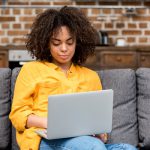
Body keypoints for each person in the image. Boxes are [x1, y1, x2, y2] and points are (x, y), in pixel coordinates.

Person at [9, 6, 137, 150]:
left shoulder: (91, 76)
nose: (64, 48)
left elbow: (97, 117)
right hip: (44, 138)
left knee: (128, 148)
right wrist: (50, 123)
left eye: (70, 42)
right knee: (93, 146)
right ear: (46, 43)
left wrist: (101, 132)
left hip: (86, 140)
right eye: (56, 43)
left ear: (78, 43)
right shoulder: (31, 70)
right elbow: (18, 114)